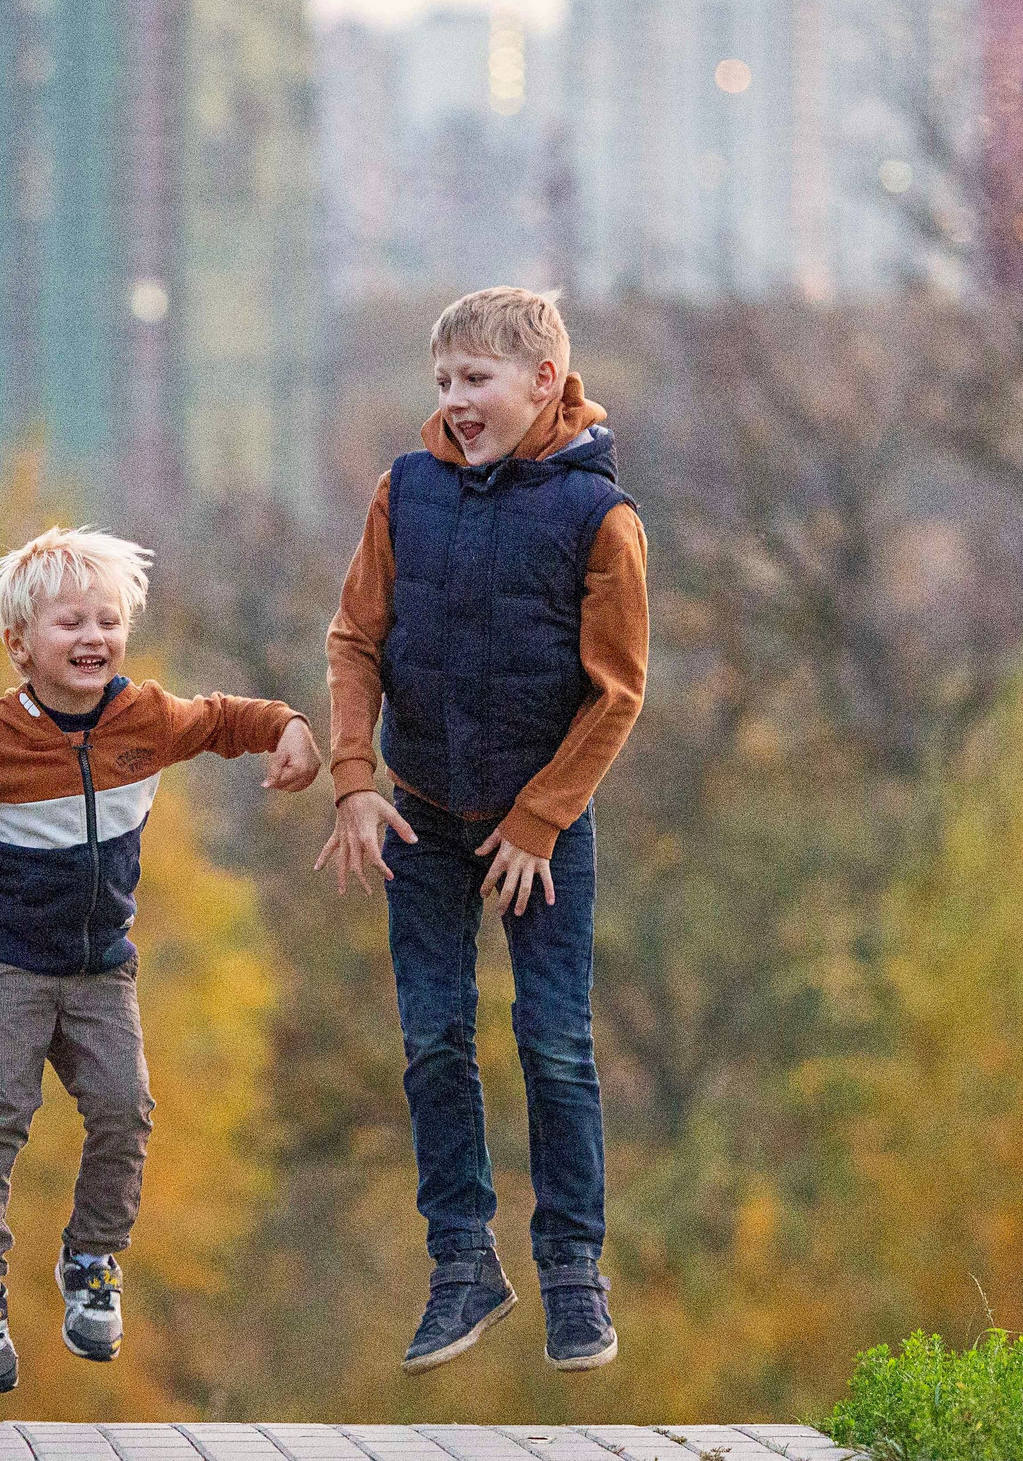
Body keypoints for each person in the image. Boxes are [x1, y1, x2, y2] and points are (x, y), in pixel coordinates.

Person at [0, 527, 321, 1392]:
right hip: (4, 964)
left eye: (108, 620)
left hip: (101, 967)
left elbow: (224, 718)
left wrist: (288, 728)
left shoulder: (144, 718)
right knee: (0, 1109)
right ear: (20, 644)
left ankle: (92, 1260)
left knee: (126, 1108)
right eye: (70, 621)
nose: (93, 637)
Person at [315, 285, 650, 1374]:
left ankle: (571, 1274)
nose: (454, 402)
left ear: (542, 381)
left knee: (553, 1044)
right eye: (443, 383)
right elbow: (355, 641)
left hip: (539, 833)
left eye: (476, 381)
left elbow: (616, 692)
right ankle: (462, 1260)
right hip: (422, 813)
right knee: (431, 1037)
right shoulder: (403, 494)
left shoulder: (600, 518)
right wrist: (355, 780)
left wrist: (542, 821)